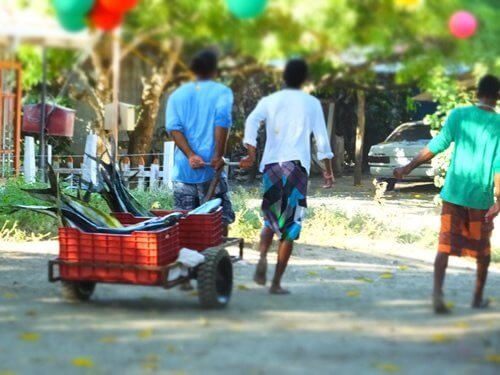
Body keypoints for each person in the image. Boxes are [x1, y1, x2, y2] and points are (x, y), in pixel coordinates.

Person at [394, 74, 500, 314]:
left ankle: (437, 294)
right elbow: (498, 166)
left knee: (444, 244)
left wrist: (407, 168)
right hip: (479, 199)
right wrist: (499, 199)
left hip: (453, 194)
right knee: (482, 251)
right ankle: (476, 298)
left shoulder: (459, 115)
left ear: (476, 94)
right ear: (497, 96)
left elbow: (437, 144)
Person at [240, 58, 334, 295]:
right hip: (295, 168)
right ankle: (275, 282)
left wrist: (250, 151)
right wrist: (328, 169)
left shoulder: (270, 100)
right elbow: (321, 139)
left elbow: (252, 120)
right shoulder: (311, 103)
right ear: (304, 79)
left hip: (272, 166)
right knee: (290, 225)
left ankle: (262, 256)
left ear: (284, 77)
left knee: (270, 218)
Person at [166, 49, 235, 235]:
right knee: (218, 221)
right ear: (215, 70)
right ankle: (216, 258)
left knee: (185, 224)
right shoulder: (222, 92)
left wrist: (190, 155)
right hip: (212, 169)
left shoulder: (177, 95)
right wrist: (218, 155)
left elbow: (173, 128)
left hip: (185, 170)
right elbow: (222, 122)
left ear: (193, 70)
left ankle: (192, 260)